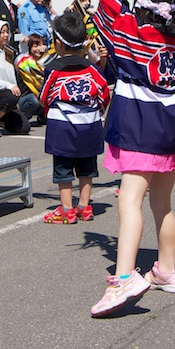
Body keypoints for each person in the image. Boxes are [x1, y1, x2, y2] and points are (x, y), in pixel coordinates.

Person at [88, 0, 175, 318]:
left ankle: (124, 277)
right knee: (162, 203)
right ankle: (166, 270)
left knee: (128, 200)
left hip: (137, 124)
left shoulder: (126, 27)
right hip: (170, 126)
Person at [40, 13, 110, 224]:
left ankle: (66, 209)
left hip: (62, 125)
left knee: (63, 167)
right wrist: (96, 111)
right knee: (87, 166)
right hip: (90, 123)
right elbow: (104, 92)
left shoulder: (53, 70)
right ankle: (85, 206)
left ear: (58, 43)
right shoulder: (92, 68)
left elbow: (43, 97)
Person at [14, 34, 47, 124]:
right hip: (24, 99)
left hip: (39, 96)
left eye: (40, 45)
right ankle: (24, 116)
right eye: (35, 46)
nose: (38, 49)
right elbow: (39, 75)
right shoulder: (24, 61)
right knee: (36, 98)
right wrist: (23, 46)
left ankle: (42, 116)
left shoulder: (44, 61)